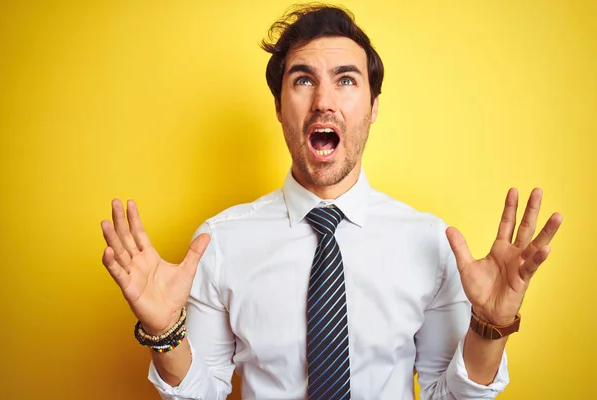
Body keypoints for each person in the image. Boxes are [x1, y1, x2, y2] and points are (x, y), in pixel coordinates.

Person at [99, 4, 562, 400]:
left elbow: (450, 395)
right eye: (303, 81)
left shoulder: (429, 242)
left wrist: (489, 326)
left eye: (346, 80)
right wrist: (163, 334)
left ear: (374, 106)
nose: (324, 101)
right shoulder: (220, 242)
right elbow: (203, 392)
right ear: (279, 107)